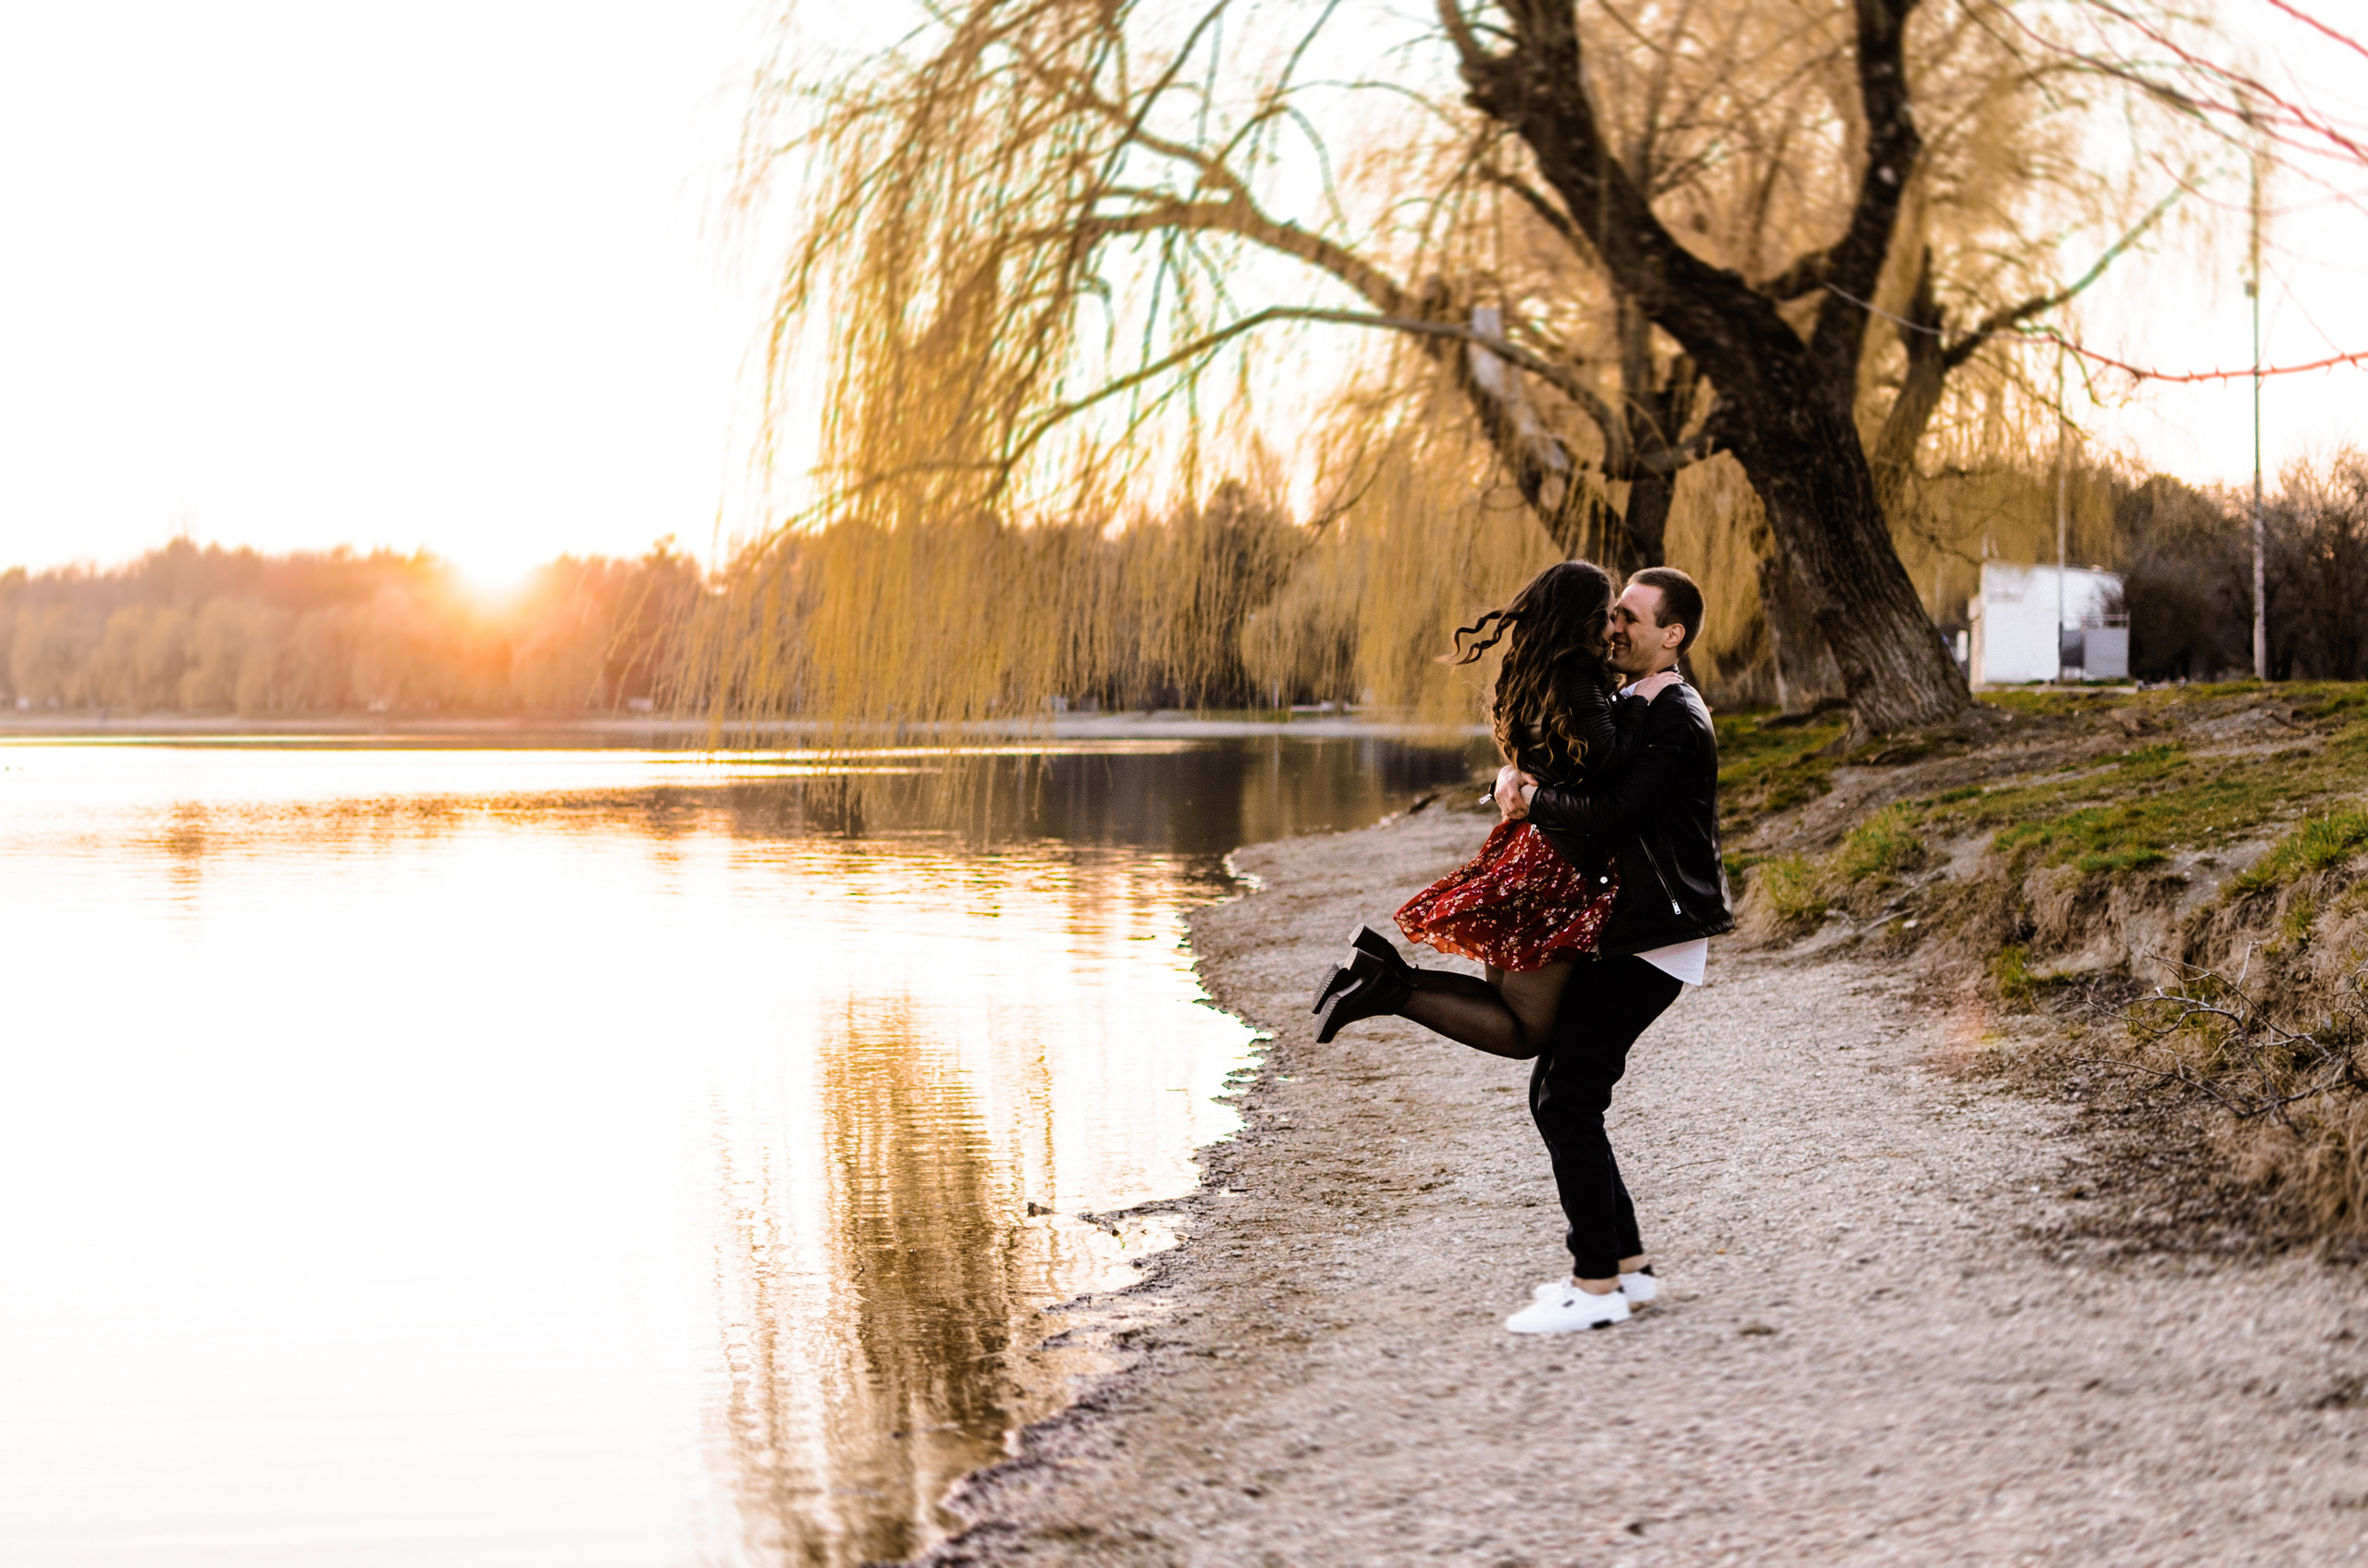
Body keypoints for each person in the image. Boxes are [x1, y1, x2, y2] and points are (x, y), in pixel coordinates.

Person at [1316, 566, 1733, 1334]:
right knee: (1560, 1090)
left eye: (1631, 617)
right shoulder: (1628, 701)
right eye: (1610, 615)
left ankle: (1597, 1285)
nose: (1615, 627)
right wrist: (1518, 778)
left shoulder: (1676, 714)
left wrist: (1530, 795)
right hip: (1623, 926)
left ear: (1671, 635)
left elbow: (1613, 810)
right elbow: (1578, 762)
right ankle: (1627, 1269)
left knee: (1565, 1095)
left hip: (1656, 936)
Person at [1312, 559, 1671, 1056]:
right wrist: (1640, 702)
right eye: (1609, 615)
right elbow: (1609, 762)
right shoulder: (1578, 673)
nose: (1614, 628)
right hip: (1560, 863)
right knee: (1527, 1031)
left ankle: (1381, 974)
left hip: (1533, 848)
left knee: (1501, 1001)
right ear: (1583, 617)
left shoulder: (1538, 671)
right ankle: (1387, 988)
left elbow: (1556, 758)